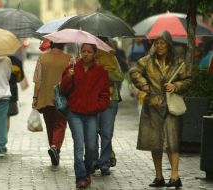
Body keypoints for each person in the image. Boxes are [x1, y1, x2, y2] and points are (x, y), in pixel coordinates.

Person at [129, 31, 192, 188]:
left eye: (162, 43)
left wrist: (176, 85)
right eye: (156, 43)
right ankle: (159, 177)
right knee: (155, 142)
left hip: (171, 107)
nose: (159, 46)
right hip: (153, 106)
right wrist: (143, 84)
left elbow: (188, 80)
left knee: (173, 141)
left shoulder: (178, 62)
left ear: (168, 45)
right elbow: (134, 71)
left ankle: (175, 176)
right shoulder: (147, 61)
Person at [60, 43, 110, 188]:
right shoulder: (72, 68)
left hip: (91, 114)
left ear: (94, 54)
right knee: (78, 146)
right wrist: (68, 77)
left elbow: (105, 93)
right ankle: (80, 177)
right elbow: (63, 89)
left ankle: (87, 172)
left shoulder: (101, 71)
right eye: (83, 51)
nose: (86, 54)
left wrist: (98, 106)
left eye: (89, 51)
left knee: (91, 147)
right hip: (74, 113)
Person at [32, 42, 71, 166]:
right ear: (63, 44)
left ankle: (53, 148)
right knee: (60, 125)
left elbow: (37, 82)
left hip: (45, 98)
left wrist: (35, 98)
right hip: (63, 98)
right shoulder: (70, 59)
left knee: (50, 126)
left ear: (51, 44)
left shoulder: (42, 59)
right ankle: (55, 148)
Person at [93, 43, 124, 175]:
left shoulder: (112, 59)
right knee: (92, 132)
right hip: (91, 99)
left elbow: (119, 76)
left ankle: (104, 163)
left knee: (106, 133)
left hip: (110, 99)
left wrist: (104, 71)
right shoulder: (87, 57)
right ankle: (92, 161)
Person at [7, 55, 25, 131]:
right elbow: (20, 78)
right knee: (6, 117)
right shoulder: (17, 61)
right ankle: (3, 138)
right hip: (11, 92)